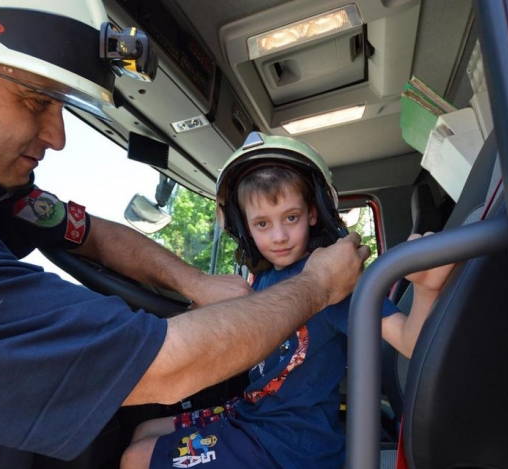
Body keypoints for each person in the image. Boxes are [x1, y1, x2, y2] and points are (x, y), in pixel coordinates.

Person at [0, 3, 370, 468]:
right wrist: (318, 283)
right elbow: (166, 366)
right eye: (36, 99)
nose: (58, 136)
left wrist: (193, 281)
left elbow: (91, 236)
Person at [120, 132, 455, 469]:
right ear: (245, 227)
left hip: (293, 445)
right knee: (145, 429)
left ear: (312, 213)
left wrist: (426, 290)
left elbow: (411, 343)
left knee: (136, 458)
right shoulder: (264, 280)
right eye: (262, 223)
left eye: (290, 218)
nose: (278, 236)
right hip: (251, 415)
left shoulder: (332, 280)